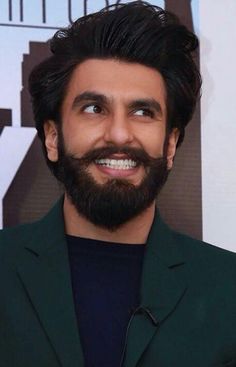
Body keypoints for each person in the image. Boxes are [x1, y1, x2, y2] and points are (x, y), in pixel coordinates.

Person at [1, 1, 236, 366]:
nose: (119, 134)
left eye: (143, 112)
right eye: (94, 108)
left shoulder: (228, 290)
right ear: (52, 136)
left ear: (170, 144)